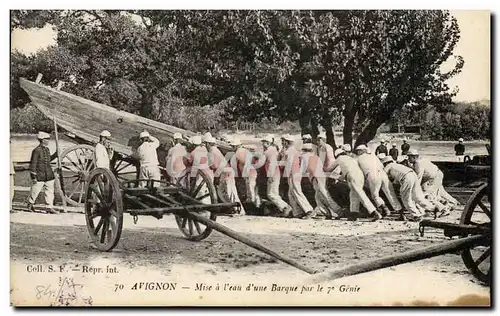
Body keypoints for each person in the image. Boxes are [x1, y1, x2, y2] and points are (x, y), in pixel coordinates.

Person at [326, 148, 382, 221]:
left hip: (352, 175)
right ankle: (353, 214)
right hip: (359, 175)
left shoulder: (340, 158)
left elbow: (329, 169)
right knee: (353, 195)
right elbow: (344, 175)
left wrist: (322, 171)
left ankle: (374, 212)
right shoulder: (350, 159)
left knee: (360, 194)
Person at [381, 156, 440, 221]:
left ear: (386, 163)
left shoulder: (389, 165)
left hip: (406, 178)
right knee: (418, 198)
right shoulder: (397, 165)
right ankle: (433, 208)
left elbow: (382, 175)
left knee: (406, 199)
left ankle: (416, 215)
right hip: (412, 175)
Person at [354, 144, 403, 218]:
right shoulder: (373, 156)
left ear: (361, 151)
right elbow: (382, 166)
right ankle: (400, 212)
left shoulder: (358, 158)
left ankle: (385, 209)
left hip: (372, 174)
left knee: (375, 195)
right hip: (382, 173)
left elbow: (358, 171)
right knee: (390, 193)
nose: (357, 153)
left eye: (358, 151)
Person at [407, 149, 458, 215]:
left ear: (414, 157)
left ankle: (444, 209)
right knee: (441, 193)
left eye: (409, 157)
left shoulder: (417, 163)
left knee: (427, 195)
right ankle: (453, 203)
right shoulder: (422, 160)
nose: (408, 159)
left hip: (433, 178)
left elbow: (418, 178)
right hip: (438, 174)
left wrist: (414, 189)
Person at [301, 143, 342, 219]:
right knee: (318, 196)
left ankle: (338, 211)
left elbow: (302, 170)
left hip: (316, 177)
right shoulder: (316, 157)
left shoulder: (304, 156)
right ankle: (326, 213)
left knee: (324, 194)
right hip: (320, 176)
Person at [205, 134, 243, 214]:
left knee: (224, 192)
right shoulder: (215, 149)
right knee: (231, 191)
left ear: (208, 144)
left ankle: (233, 209)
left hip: (225, 172)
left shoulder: (211, 151)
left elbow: (214, 165)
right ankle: (238, 209)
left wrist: (209, 167)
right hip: (228, 171)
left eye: (206, 144)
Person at [282, 134, 314, 218]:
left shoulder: (290, 151)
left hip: (293, 173)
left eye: (284, 141)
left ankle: (309, 210)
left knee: (297, 192)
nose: (282, 143)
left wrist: (286, 174)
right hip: (294, 173)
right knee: (291, 193)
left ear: (287, 142)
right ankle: (297, 212)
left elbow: (289, 164)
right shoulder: (292, 150)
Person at [27, 132, 58, 214]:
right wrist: (33, 176)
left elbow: (48, 160)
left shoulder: (47, 149)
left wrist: (56, 154)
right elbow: (33, 163)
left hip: (49, 174)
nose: (48, 141)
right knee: (35, 190)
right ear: (42, 140)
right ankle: (30, 204)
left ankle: (49, 207)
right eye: (47, 139)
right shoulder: (36, 151)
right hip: (40, 174)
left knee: (50, 191)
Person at [262, 135, 292, 217]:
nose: (262, 144)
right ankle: (282, 208)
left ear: (268, 143)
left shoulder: (269, 151)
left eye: (264, 142)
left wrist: (270, 175)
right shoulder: (273, 150)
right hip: (276, 173)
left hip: (273, 173)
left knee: (271, 194)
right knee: (274, 193)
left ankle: (285, 207)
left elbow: (272, 164)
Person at [232, 138, 260, 213]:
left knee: (250, 190)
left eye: (233, 146)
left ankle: (254, 208)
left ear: (236, 146)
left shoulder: (238, 153)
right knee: (252, 190)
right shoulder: (245, 151)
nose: (232, 148)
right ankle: (256, 206)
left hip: (249, 173)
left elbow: (245, 163)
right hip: (252, 171)